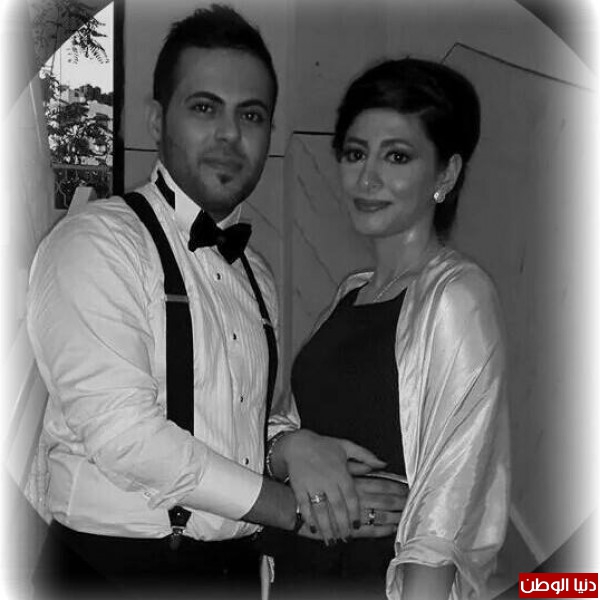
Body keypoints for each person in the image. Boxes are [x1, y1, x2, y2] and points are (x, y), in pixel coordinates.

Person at [27, 5, 408, 599]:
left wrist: (289, 445)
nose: (230, 136)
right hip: (109, 569)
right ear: (157, 120)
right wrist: (291, 510)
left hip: (232, 572)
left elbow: (232, 422)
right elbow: (125, 436)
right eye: (205, 108)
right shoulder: (95, 243)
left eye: (250, 115)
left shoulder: (256, 273)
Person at [265, 58, 510, 600]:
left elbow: (449, 504)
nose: (367, 177)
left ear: (445, 174)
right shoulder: (350, 293)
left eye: (396, 156)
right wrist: (292, 447)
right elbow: (285, 424)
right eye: (356, 153)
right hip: (301, 570)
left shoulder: (457, 296)